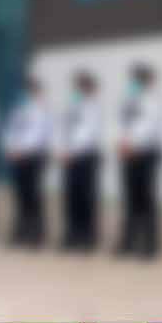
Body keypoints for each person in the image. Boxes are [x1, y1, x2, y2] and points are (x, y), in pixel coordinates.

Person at [116, 65, 162, 258]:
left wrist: (132, 143)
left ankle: (149, 244)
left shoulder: (153, 100)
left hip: (146, 154)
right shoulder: (127, 100)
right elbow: (120, 123)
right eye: (134, 78)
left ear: (147, 80)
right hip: (129, 153)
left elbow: (149, 126)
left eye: (139, 78)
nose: (135, 82)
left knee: (146, 200)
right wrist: (122, 142)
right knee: (130, 199)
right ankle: (128, 241)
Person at [2, 77, 52, 248]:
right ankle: (21, 230)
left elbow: (39, 135)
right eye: (25, 90)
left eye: (30, 90)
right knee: (20, 195)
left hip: (33, 156)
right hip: (18, 157)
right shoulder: (18, 109)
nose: (26, 93)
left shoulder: (41, 110)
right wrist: (10, 148)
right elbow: (10, 130)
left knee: (33, 195)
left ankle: (37, 232)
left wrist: (23, 150)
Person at [59, 71, 102, 252]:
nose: (80, 89)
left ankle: (88, 236)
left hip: (86, 156)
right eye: (78, 85)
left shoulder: (93, 107)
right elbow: (63, 128)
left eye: (83, 85)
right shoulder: (71, 106)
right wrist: (63, 150)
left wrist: (72, 151)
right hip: (70, 157)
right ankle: (72, 233)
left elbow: (88, 132)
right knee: (71, 197)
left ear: (90, 87)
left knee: (86, 198)